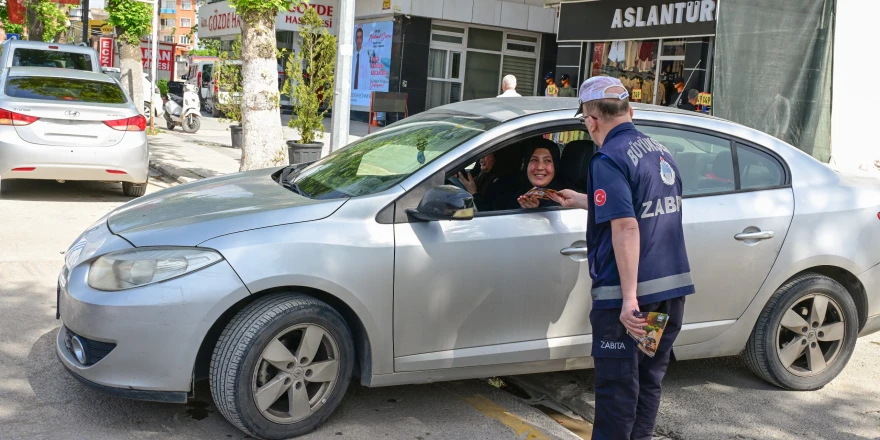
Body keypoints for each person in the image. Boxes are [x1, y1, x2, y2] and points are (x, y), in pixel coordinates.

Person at [550, 76, 694, 440]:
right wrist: (583, 199)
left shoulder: (607, 158)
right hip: (669, 291)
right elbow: (642, 207)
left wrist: (629, 300)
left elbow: (627, 227)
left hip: (628, 298)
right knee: (647, 382)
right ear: (630, 111)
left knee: (616, 391)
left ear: (592, 120)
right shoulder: (660, 153)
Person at [457, 147, 521, 212]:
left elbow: (490, 215)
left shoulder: (508, 184)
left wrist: (473, 193)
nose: (481, 157)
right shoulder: (485, 173)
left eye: (486, 152)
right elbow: (469, 176)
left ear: (498, 155)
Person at [516, 138, 565, 209]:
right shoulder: (511, 193)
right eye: (534, 160)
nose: (540, 167)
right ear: (526, 165)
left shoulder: (566, 199)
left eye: (547, 160)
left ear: (555, 165)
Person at [352, 27, 370, 91]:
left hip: (361, 93)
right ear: (355, 39)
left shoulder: (366, 56)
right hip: (351, 92)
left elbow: (367, 77)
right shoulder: (351, 55)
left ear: (362, 39)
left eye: (360, 37)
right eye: (357, 37)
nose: (359, 40)